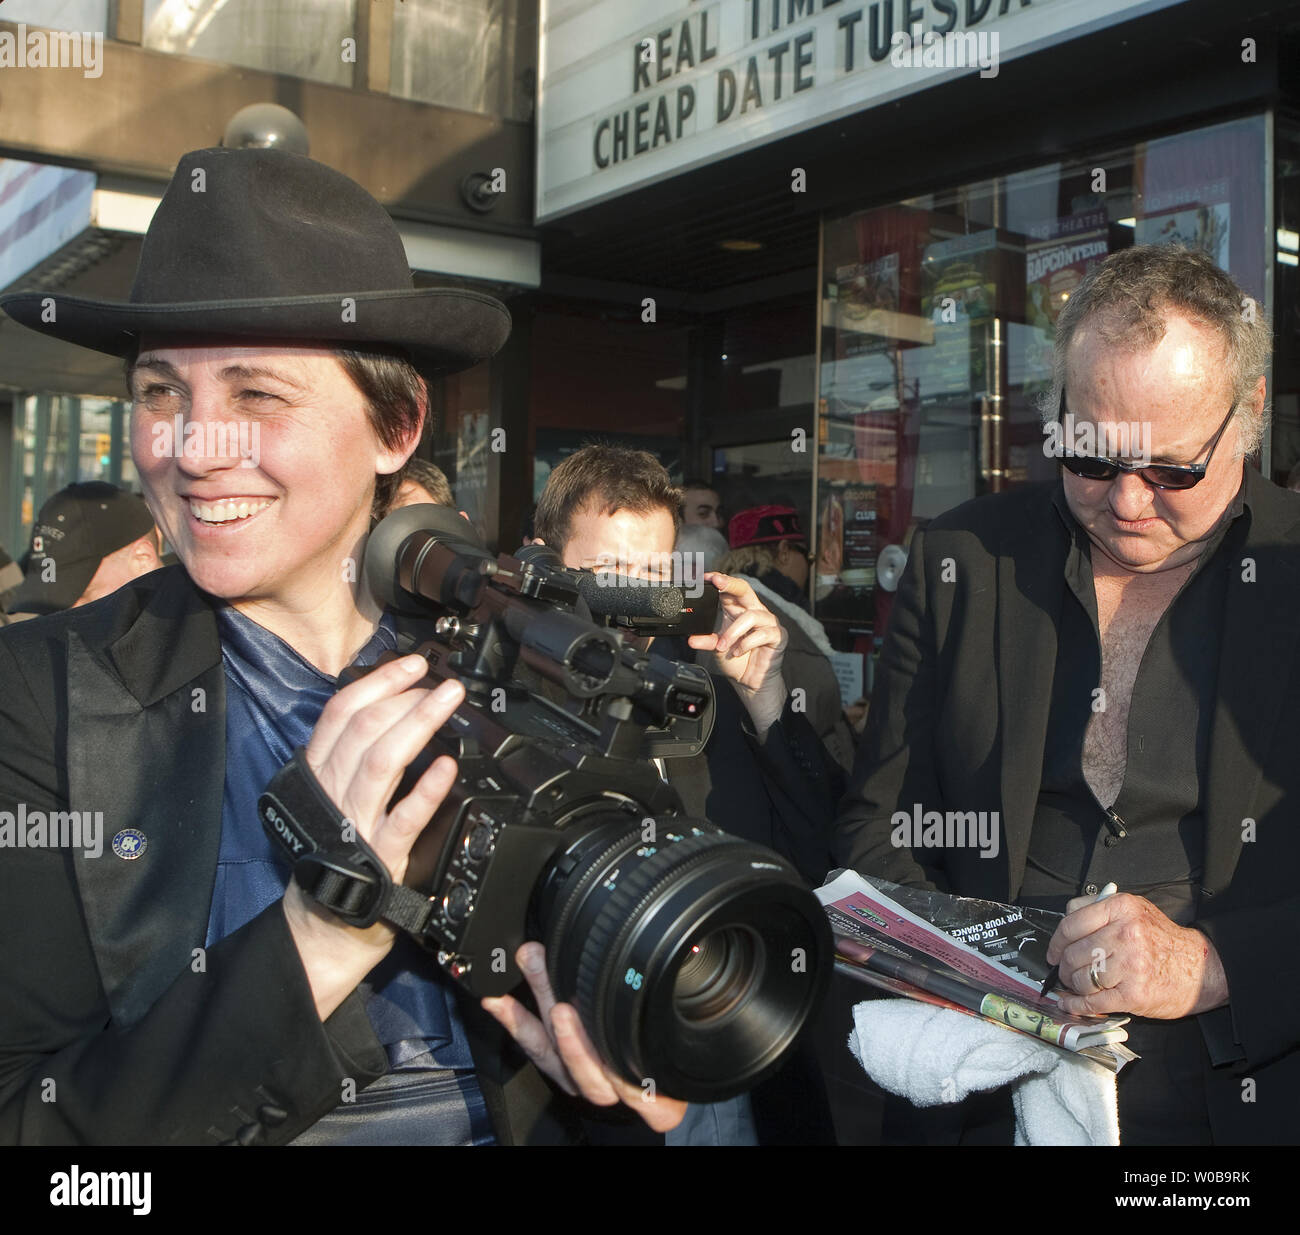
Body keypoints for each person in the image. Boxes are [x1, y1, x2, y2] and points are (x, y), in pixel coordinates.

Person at [0, 145, 687, 1145]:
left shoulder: (526, 668)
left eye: (255, 395)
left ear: (396, 423)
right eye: (159, 392)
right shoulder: (40, 697)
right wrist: (318, 934)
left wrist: (623, 1080)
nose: (193, 449)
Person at [834, 244, 1299, 1144]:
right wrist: (978, 976)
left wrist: (1212, 967)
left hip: (1238, 1102)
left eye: (1172, 470)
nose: (1127, 501)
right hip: (975, 1093)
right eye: (1091, 456)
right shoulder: (960, 559)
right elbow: (880, 830)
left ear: (1247, 415)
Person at [527, 444, 841, 1143]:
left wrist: (764, 697)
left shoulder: (708, 688)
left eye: (653, 577)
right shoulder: (508, 703)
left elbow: (817, 852)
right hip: (589, 1069)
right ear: (544, 564)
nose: (634, 602)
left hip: (732, 1023)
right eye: (609, 575)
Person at [3, 482, 162, 622]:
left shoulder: (184, 645)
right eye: (48, 610)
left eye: (82, 596)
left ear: (142, 558)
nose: (61, 620)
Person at [727, 504, 813, 612]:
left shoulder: (722, 598)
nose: (810, 566)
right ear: (784, 552)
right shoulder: (783, 615)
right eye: (808, 556)